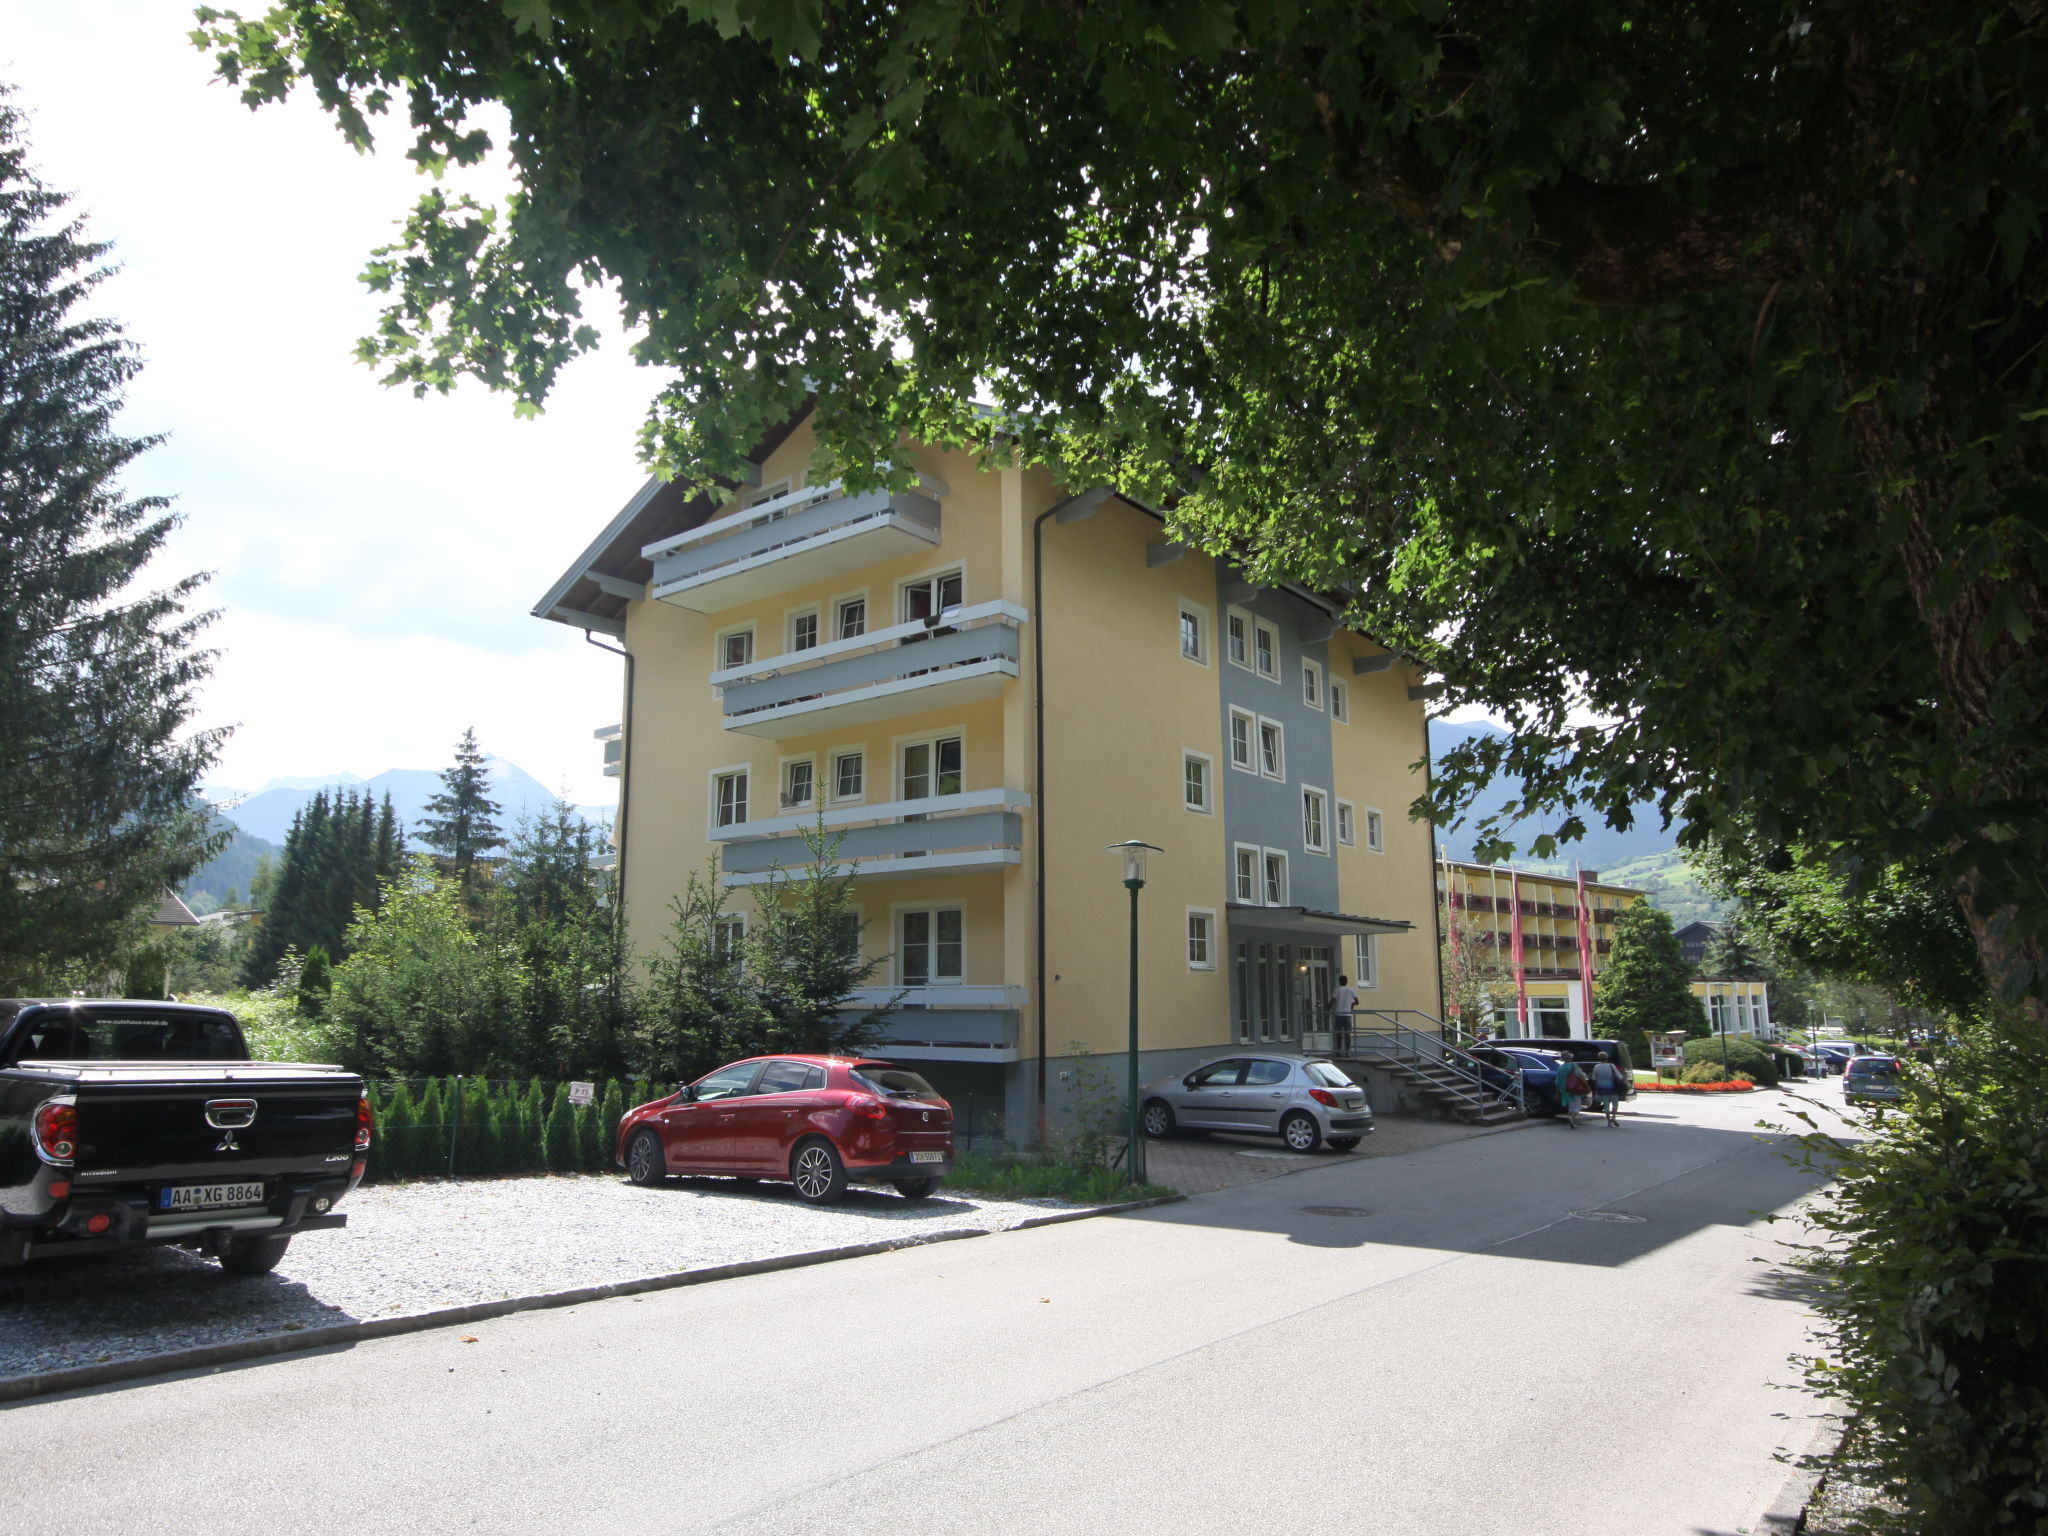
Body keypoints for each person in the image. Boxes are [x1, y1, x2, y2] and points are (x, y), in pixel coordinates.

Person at [1590, 1055, 1624, 1128]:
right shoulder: (1611, 1066)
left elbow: (1593, 1078)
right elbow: (1619, 1076)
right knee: (1615, 1103)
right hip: (1612, 1088)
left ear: (1599, 1058)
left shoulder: (1596, 1067)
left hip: (1602, 1088)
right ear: (1607, 1058)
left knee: (1606, 1105)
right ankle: (1613, 1117)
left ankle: (1609, 1121)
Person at [1557, 1060, 1590, 1128]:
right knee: (1577, 1106)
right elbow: (1581, 1076)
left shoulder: (1561, 1067)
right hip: (1576, 1088)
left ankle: (1572, 1120)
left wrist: (1558, 1091)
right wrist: (1587, 1087)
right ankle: (1572, 1119)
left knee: (1571, 1106)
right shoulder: (1574, 1065)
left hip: (1567, 1089)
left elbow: (1557, 1080)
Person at [1330, 975, 1358, 1054]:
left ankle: (1338, 1052)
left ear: (1339, 982)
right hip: (1347, 1015)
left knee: (1338, 1034)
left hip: (1338, 1014)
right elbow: (1357, 1002)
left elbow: (1332, 1001)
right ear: (1347, 981)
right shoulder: (1351, 990)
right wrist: (1352, 1003)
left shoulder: (1336, 990)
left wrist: (1327, 1009)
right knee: (1347, 1034)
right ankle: (1347, 1052)